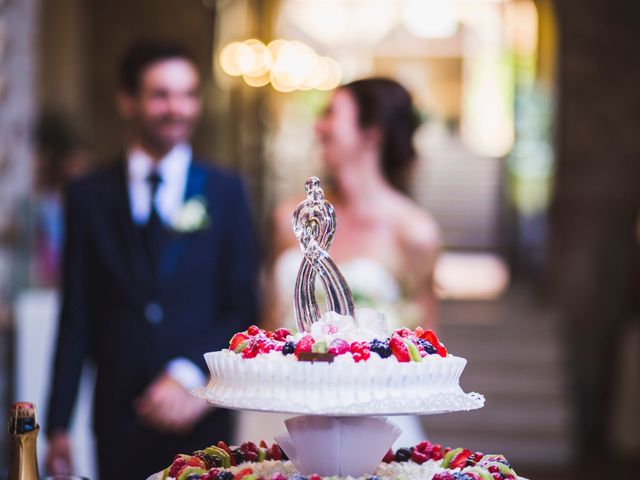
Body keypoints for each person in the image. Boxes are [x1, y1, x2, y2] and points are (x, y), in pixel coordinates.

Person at [45, 41, 259, 480]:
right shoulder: (88, 196)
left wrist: (185, 376)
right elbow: (76, 316)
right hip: (119, 415)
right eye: (161, 94)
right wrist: (59, 425)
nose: (176, 108)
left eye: (188, 94)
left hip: (201, 411)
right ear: (128, 101)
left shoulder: (226, 191)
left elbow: (241, 306)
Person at [237, 78, 440, 446]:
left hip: (368, 415)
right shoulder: (289, 219)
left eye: (331, 114)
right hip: (278, 407)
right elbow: (266, 324)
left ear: (372, 133)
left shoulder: (414, 232)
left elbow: (423, 343)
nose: (319, 126)